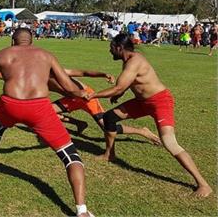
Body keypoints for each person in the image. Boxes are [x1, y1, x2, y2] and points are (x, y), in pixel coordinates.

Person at [0, 29, 94, 217]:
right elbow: (67, 86)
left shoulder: (2, 54)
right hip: (39, 107)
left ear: (12, 40)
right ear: (32, 41)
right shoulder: (46, 55)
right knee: (70, 155)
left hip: (10, 105)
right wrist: (82, 94)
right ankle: (81, 210)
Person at [87, 34, 212, 197]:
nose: (109, 51)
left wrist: (93, 95)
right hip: (141, 102)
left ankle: (203, 185)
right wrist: (120, 94)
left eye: (111, 48)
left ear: (119, 48)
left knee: (169, 142)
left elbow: (118, 86)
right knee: (110, 117)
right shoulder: (129, 60)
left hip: (160, 101)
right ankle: (109, 154)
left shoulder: (134, 61)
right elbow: (130, 82)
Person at [48, 68, 160, 144]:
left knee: (106, 127)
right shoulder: (36, 80)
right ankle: (79, 123)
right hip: (70, 99)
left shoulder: (56, 71)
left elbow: (83, 73)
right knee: (46, 113)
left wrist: (103, 74)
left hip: (87, 97)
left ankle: (142, 131)